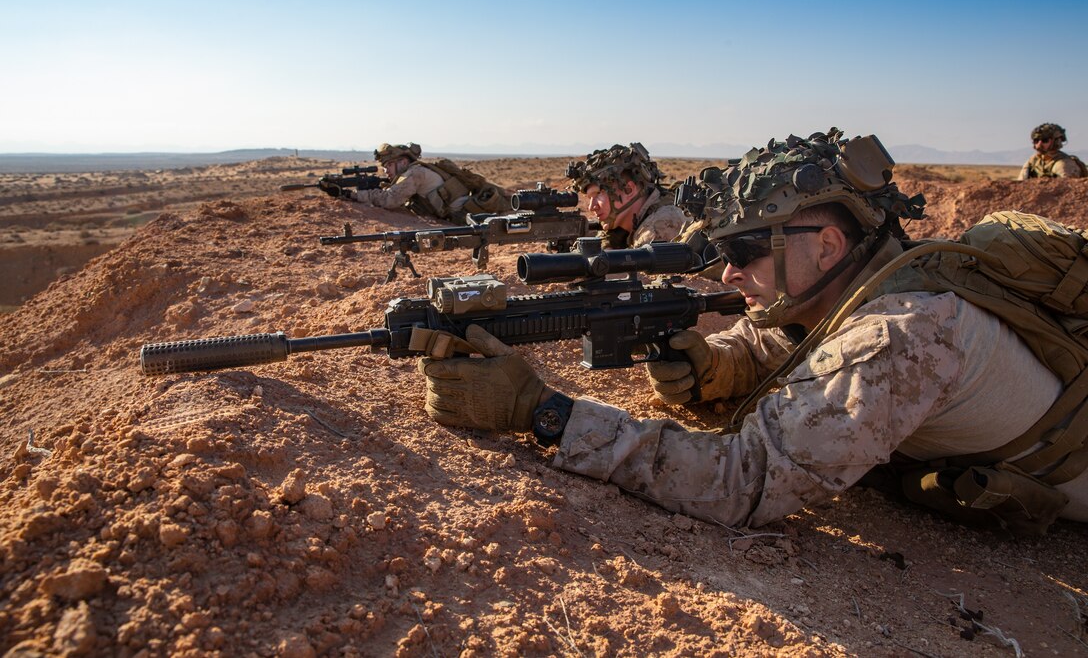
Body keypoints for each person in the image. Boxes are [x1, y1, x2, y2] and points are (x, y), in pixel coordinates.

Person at [418, 128, 1088, 535]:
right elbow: (795, 341)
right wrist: (717, 368)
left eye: (746, 250)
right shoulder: (882, 279)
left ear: (828, 245)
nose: (731, 271)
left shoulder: (901, 335)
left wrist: (544, 413)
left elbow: (740, 480)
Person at [333, 142, 512, 225]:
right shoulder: (417, 171)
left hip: (467, 216)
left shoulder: (414, 173)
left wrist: (353, 195)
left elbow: (390, 200)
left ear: (403, 162)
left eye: (389, 165)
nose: (386, 171)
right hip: (465, 214)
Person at [565, 143, 688, 248]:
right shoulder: (626, 224)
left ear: (629, 190)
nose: (592, 207)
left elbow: (640, 273)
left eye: (598, 194)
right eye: (589, 198)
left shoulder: (660, 225)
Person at [1018, 123, 1087, 179]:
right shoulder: (1033, 161)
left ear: (1055, 142)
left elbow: (1069, 191)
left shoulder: (1064, 164)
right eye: (1036, 140)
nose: (1039, 144)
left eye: (1045, 140)